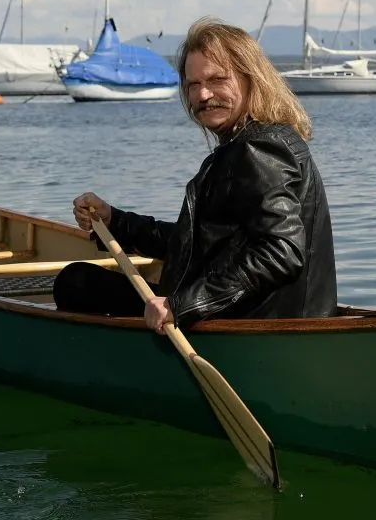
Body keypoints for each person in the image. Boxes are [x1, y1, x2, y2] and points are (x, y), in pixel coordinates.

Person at [56, 17, 337, 332]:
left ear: (251, 79)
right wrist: (116, 222)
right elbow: (197, 242)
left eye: (217, 80)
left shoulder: (257, 150)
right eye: (193, 85)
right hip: (254, 317)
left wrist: (180, 306)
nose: (203, 95)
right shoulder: (252, 142)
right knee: (81, 280)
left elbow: (281, 251)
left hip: (258, 328)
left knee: (76, 283)